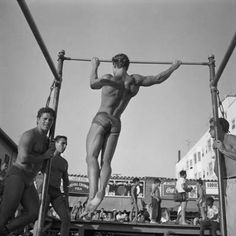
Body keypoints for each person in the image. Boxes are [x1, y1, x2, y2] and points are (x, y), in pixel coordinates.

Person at [84, 53, 182, 214]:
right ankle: (101, 193)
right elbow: (157, 78)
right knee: (106, 162)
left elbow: (92, 83)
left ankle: (91, 196)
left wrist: (94, 65)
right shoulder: (135, 81)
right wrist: (173, 66)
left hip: (102, 118)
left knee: (91, 157)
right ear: (127, 66)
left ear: (114, 65)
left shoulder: (110, 78)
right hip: (116, 122)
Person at [0, 107, 56, 236]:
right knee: (7, 212)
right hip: (17, 174)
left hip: (29, 181)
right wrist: (44, 155)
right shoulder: (29, 135)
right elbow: (24, 157)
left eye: (50, 120)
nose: (47, 122)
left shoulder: (47, 141)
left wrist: (52, 151)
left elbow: (43, 166)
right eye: (45, 119)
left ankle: (5, 231)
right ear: (38, 119)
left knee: (33, 212)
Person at [209, 117, 236, 236]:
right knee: (226, 220)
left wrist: (223, 150)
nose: (209, 131)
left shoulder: (230, 138)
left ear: (220, 128)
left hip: (234, 181)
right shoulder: (215, 144)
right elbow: (217, 167)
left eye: (211, 128)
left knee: (233, 219)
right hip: (224, 183)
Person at [43, 135, 70, 236]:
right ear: (55, 143)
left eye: (66, 144)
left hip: (56, 192)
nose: (65, 146)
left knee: (66, 218)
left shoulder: (64, 162)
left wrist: (66, 197)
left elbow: (66, 181)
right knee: (41, 216)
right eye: (63, 143)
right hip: (46, 189)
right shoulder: (47, 157)